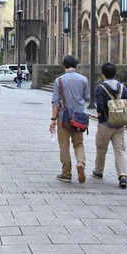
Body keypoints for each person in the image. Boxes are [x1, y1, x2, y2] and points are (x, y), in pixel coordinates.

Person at [49, 55, 90, 183]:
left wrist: (53, 119)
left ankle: (66, 173)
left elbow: (55, 102)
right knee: (78, 143)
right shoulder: (84, 80)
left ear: (63, 66)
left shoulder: (59, 80)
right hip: (79, 118)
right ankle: (81, 164)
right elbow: (86, 97)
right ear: (76, 65)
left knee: (64, 146)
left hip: (64, 118)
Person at [93, 62, 127, 188]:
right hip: (119, 124)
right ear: (115, 73)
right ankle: (123, 175)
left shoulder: (100, 88)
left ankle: (99, 171)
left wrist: (99, 114)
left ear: (103, 74)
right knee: (120, 150)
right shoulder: (122, 87)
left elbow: (99, 106)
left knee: (101, 148)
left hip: (105, 123)